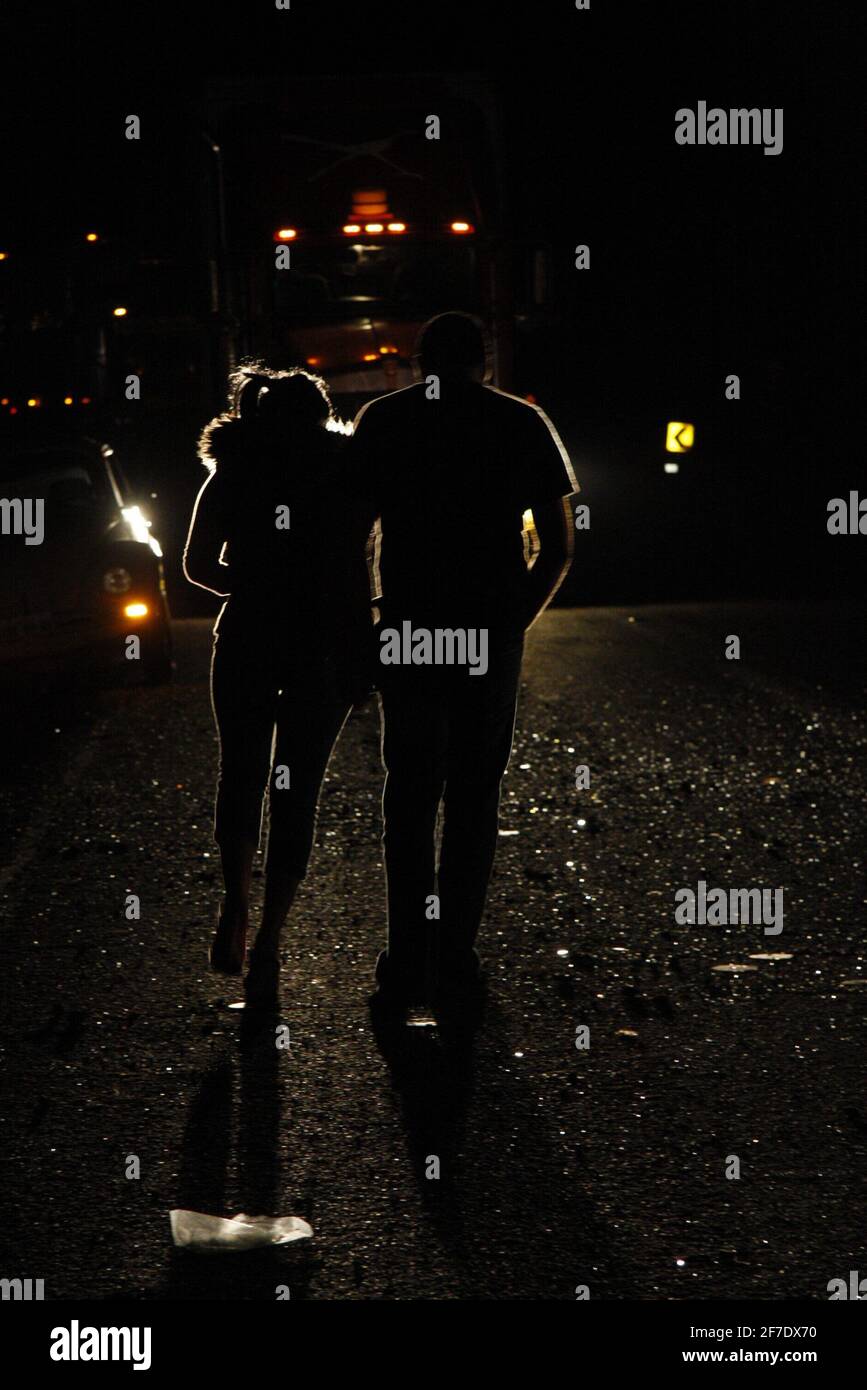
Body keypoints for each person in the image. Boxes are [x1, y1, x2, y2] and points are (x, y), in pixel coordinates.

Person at [349, 312, 578, 1016]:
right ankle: (455, 953)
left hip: (411, 625)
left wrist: (366, 624)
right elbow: (559, 547)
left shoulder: (382, 421)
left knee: (410, 792)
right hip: (485, 629)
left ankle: (405, 952)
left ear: (420, 362)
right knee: (475, 793)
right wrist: (512, 621)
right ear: (483, 359)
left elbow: (349, 536)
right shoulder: (518, 422)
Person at [184, 363, 372, 1006]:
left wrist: (256, 586)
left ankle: (233, 904)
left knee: (241, 773)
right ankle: (269, 937)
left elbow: (196, 564)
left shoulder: (234, 473)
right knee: (300, 789)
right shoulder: (351, 473)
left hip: (247, 641)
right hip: (325, 649)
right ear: (324, 414)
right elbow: (370, 565)